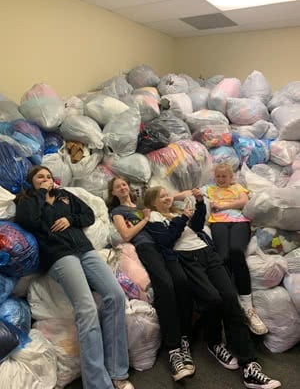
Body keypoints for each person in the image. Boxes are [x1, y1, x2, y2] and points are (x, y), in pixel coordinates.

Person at [143, 185, 281, 389]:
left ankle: (250, 366)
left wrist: (198, 205)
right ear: (152, 202)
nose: (167, 198)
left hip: (207, 253)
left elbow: (197, 227)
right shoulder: (153, 218)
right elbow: (165, 240)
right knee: (213, 299)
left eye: (167, 195)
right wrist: (181, 219)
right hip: (186, 259)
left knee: (231, 300)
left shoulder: (177, 212)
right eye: (161, 196)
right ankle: (214, 342)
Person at [15, 166, 134, 389]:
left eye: (49, 176)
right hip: (58, 255)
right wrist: (41, 194)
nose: (46, 179)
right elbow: (28, 221)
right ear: (32, 181)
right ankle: (98, 384)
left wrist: (70, 219)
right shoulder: (27, 200)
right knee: (86, 308)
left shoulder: (64, 195)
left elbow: (87, 215)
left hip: (84, 249)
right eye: (40, 177)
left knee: (116, 295)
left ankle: (118, 372)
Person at [107, 176, 195, 382]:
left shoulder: (140, 204)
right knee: (165, 284)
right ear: (113, 192)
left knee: (182, 283)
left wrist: (189, 193)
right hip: (146, 245)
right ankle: (173, 349)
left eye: (124, 183)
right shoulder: (118, 212)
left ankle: (185, 341)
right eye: (117, 186)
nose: (122, 187)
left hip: (165, 244)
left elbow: (166, 197)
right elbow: (126, 235)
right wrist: (145, 219)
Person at [201, 163, 268, 335]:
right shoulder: (209, 188)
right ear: (214, 177)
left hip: (239, 222)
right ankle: (232, 306)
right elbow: (190, 193)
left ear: (231, 177)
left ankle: (248, 307)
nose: (221, 179)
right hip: (218, 222)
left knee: (236, 251)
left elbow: (244, 201)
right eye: (219, 176)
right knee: (223, 258)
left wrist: (222, 206)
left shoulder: (238, 187)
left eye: (225, 176)